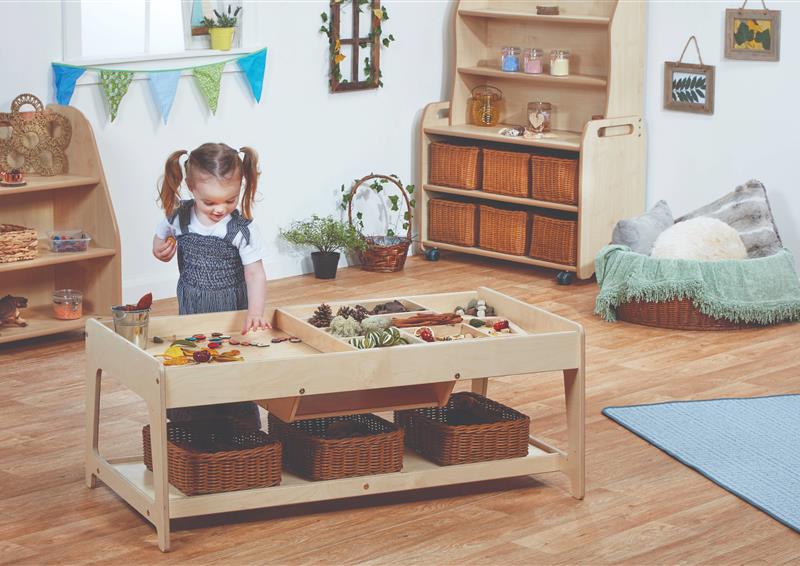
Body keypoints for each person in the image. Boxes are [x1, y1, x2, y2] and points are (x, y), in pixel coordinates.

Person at [153, 142, 269, 428]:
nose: (220, 209)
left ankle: (237, 415)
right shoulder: (179, 217)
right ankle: (192, 416)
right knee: (194, 354)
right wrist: (160, 249)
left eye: (229, 200)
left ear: (240, 188)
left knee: (229, 358)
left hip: (230, 305)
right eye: (210, 202)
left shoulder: (241, 229)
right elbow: (161, 234)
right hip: (191, 302)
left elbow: (255, 273)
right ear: (192, 187)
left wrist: (255, 311)